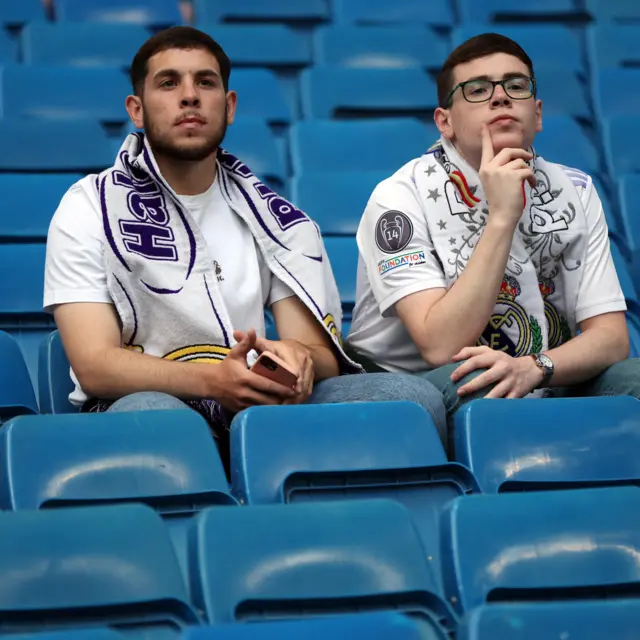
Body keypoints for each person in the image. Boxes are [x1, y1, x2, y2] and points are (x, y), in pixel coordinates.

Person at [44, 26, 447, 461]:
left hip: (256, 400)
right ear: (136, 110)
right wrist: (211, 381)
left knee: (409, 399)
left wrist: (297, 359)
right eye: (168, 82)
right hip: (143, 402)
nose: (189, 96)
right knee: (158, 417)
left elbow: (321, 356)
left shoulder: (277, 219)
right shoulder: (88, 205)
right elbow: (94, 365)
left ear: (229, 106)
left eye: (205, 81)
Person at [347, 33, 638, 445]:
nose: (500, 97)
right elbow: (439, 345)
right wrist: (502, 217)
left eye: (515, 86)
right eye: (478, 90)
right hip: (420, 381)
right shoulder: (399, 197)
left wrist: (537, 367)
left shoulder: (576, 190)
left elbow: (611, 338)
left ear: (536, 114)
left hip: (538, 368)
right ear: (444, 121)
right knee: (484, 384)